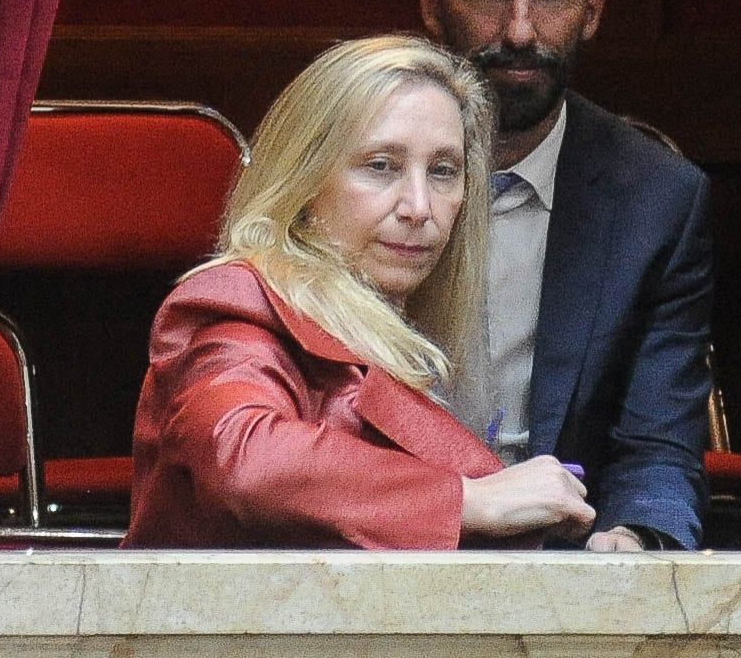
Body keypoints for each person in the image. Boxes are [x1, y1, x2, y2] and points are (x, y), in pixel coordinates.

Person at [125, 35, 596, 549]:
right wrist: (466, 500)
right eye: (381, 166)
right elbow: (243, 459)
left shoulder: (397, 325)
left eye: (443, 171)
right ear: (304, 183)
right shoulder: (240, 306)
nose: (419, 207)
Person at [417, 0, 712, 551]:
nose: (519, 29)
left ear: (593, 9)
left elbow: (657, 444)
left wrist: (637, 535)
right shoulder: (350, 169)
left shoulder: (658, 200)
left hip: (563, 560)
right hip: (383, 549)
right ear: (433, 6)